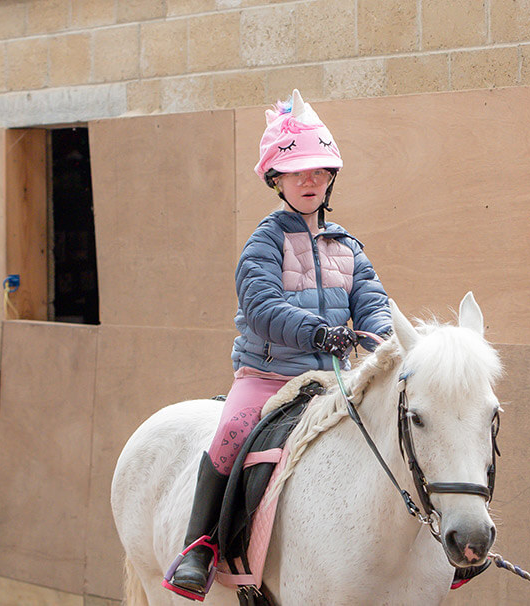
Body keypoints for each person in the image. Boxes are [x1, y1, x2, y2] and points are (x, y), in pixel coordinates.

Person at [165, 90, 392, 597]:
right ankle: (199, 545)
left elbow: (374, 303)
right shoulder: (263, 243)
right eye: (296, 173)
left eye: (319, 172)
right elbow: (263, 307)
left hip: (333, 380)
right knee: (231, 433)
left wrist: (384, 344)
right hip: (269, 378)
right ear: (276, 180)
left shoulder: (348, 246)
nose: (309, 182)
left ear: (330, 178)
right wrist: (318, 332)